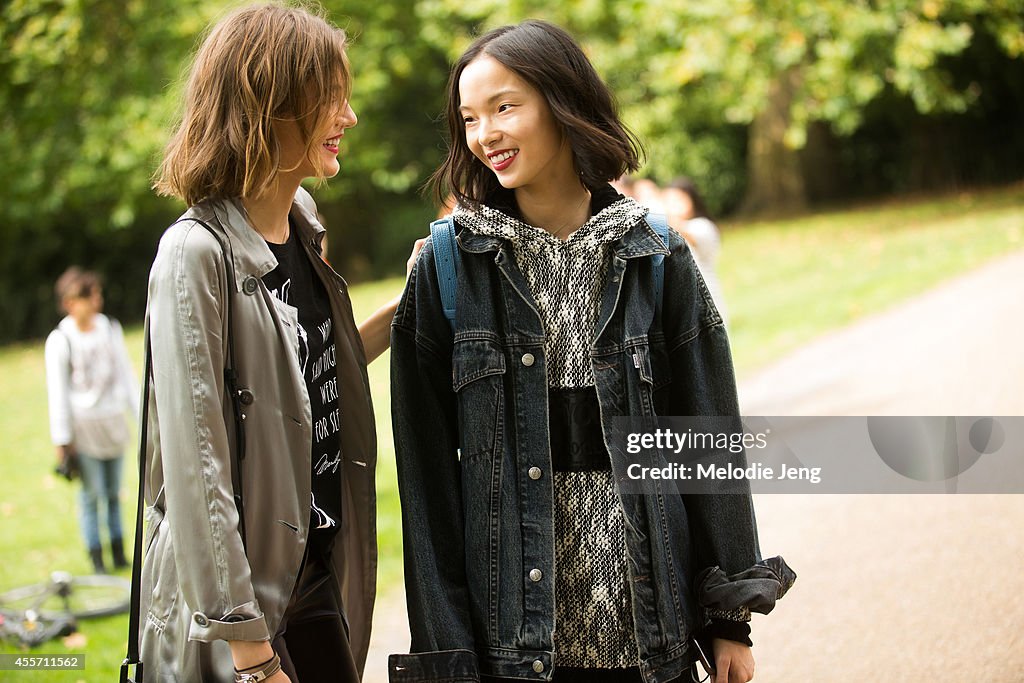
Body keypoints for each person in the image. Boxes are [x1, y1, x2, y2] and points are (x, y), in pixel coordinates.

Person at [390, 20, 793, 683]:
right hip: (513, 651)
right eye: (469, 117)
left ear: (562, 101)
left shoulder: (656, 255)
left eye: (504, 106)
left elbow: (707, 437)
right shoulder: (446, 268)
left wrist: (728, 621)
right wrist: (449, 660)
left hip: (649, 638)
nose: (484, 133)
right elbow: (427, 491)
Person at [139, 5, 422, 681]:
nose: (348, 118)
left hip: (309, 578)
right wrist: (252, 656)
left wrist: (411, 300)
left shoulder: (301, 224)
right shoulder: (194, 256)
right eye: (331, 98)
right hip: (238, 620)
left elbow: (302, 372)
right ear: (272, 105)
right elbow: (196, 465)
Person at [45, 267, 138, 575]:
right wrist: (62, 439)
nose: (96, 301)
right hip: (84, 429)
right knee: (91, 494)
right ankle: (97, 558)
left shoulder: (109, 328)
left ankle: (118, 551)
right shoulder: (61, 339)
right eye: (89, 296)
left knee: (113, 492)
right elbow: (58, 392)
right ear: (72, 301)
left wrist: (141, 417)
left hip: (112, 422)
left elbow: (126, 376)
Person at [662, 177, 728, 325]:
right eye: (669, 201)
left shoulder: (702, 226)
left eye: (678, 200)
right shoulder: (668, 231)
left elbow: (685, 232)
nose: (673, 206)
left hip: (708, 306)